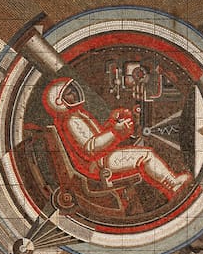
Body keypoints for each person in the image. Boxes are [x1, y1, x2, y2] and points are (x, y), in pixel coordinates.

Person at [42, 76, 191, 199]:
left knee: (143, 152)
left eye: (72, 91)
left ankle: (172, 184)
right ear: (59, 102)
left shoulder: (76, 115)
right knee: (146, 156)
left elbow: (95, 139)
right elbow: (90, 148)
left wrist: (112, 123)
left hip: (100, 159)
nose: (73, 95)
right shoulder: (71, 120)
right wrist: (114, 132)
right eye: (68, 94)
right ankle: (173, 185)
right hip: (98, 164)